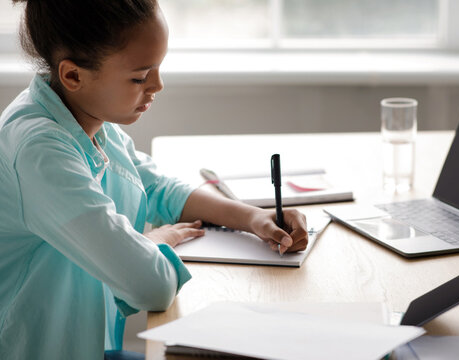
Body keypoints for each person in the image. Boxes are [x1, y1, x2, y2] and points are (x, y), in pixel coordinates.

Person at [0, 1, 309, 359]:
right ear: (73, 76)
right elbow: (152, 287)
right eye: (139, 77)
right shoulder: (39, 150)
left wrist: (252, 217)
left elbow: (157, 187)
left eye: (158, 68)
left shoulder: (86, 116)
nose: (157, 85)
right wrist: (155, 239)